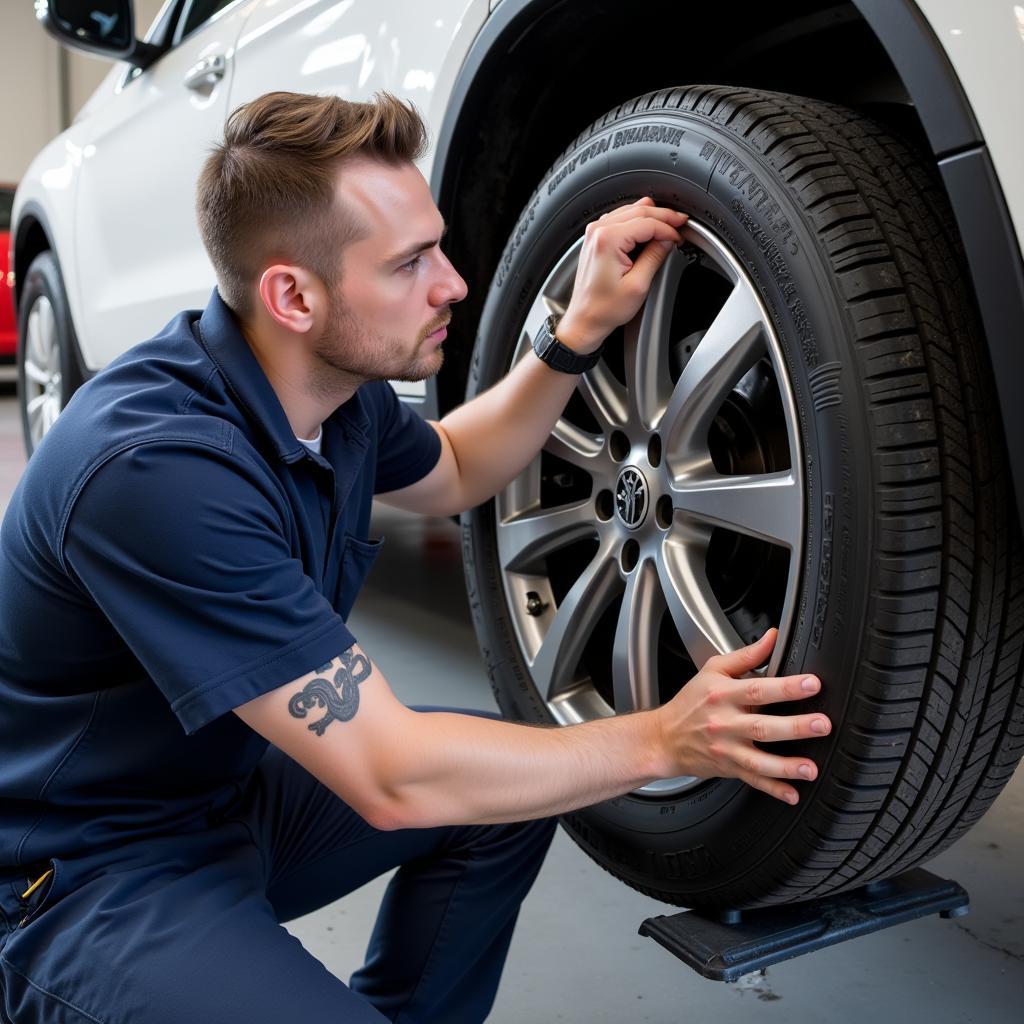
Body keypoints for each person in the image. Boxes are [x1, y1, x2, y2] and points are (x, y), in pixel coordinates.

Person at [0, 91, 831, 1023]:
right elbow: (393, 777)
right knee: (469, 770)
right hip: (79, 874)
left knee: (509, 792)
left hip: (221, 800)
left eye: (435, 247)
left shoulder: (323, 387)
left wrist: (576, 333)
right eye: (410, 264)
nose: (453, 284)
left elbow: (463, 463)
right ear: (293, 295)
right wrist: (661, 739)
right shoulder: (154, 470)